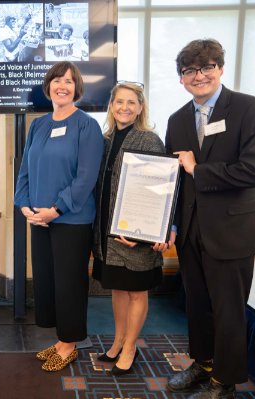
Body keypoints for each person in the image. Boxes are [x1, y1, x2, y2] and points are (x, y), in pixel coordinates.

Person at [165, 39, 255, 399]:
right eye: (190, 70)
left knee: (228, 310)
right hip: (191, 231)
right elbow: (174, 182)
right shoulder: (177, 120)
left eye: (207, 67)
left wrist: (200, 170)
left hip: (232, 229)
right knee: (197, 305)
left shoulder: (249, 108)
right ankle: (203, 363)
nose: (199, 76)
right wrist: (172, 224)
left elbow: (254, 171)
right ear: (181, 78)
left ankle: (225, 381)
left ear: (221, 68)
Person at [14, 61, 104, 372]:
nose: (62, 85)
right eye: (57, 80)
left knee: (69, 284)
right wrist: (24, 204)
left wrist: (57, 209)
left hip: (71, 219)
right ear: (48, 85)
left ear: (77, 88)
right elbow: (25, 169)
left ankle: (69, 345)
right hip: (39, 218)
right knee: (47, 282)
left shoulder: (87, 126)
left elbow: (86, 177)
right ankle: (60, 338)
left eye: (69, 81)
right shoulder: (38, 125)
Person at [92, 82, 172, 376]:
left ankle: (130, 347)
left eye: (131, 102)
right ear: (111, 106)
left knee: (136, 291)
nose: (124, 107)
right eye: (119, 102)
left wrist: (142, 234)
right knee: (117, 289)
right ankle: (117, 341)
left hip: (137, 234)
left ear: (140, 108)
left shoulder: (149, 140)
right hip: (107, 233)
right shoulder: (104, 139)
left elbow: (159, 191)